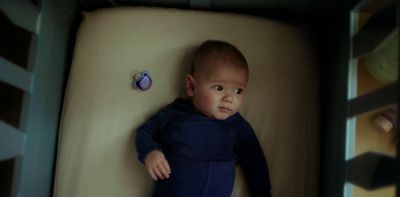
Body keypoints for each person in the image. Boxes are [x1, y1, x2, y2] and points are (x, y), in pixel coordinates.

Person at [135, 40, 271, 197]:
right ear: (192, 86)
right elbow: (145, 132)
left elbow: (256, 163)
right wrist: (150, 153)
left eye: (238, 91)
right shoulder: (175, 114)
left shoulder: (238, 126)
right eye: (219, 88)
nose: (229, 98)